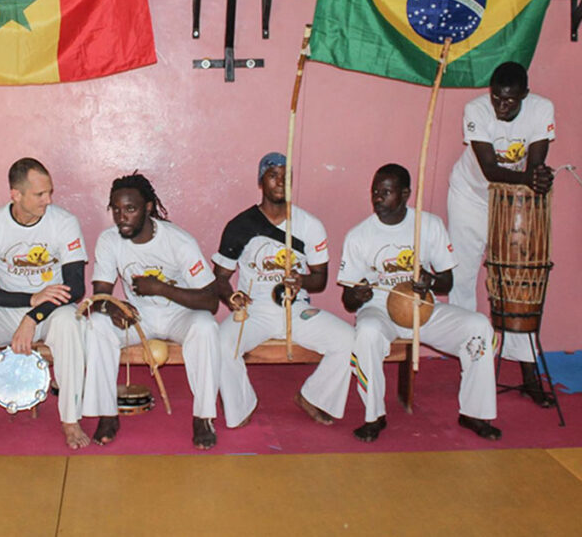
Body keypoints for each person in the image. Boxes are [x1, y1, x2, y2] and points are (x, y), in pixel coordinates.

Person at [341, 164, 500, 442]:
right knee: (365, 334)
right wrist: (358, 295)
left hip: (423, 309)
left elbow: (447, 283)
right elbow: (348, 302)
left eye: (386, 192)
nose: (378, 198)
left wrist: (430, 281)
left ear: (405, 194)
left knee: (478, 326)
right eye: (375, 192)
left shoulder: (429, 225)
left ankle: (474, 412)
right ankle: (374, 416)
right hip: (379, 310)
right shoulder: (358, 236)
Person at [0, 158, 89, 451]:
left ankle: (71, 419)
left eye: (49, 192)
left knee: (71, 321)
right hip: (10, 308)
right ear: (16, 194)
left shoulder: (64, 222)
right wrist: (29, 301)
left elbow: (76, 287)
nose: (48, 200)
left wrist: (34, 315)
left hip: (52, 311)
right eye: (40, 194)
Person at [213, 153, 355, 430]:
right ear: (261, 181)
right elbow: (220, 278)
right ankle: (242, 404)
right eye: (273, 175)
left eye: (286, 176)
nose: (280, 182)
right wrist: (232, 297)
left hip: (296, 307)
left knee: (348, 339)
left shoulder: (309, 225)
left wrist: (301, 281)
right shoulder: (240, 226)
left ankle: (313, 396)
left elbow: (321, 279)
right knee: (220, 342)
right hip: (254, 310)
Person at [84, 172, 220, 449]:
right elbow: (100, 295)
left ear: (147, 208)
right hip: (139, 316)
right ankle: (107, 413)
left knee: (206, 327)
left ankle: (203, 416)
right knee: (96, 324)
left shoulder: (179, 241)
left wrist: (160, 288)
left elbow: (211, 301)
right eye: (116, 210)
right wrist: (112, 307)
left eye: (130, 209)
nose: (122, 217)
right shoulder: (109, 240)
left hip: (179, 313)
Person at [447, 61, 555, 406]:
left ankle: (527, 373)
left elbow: (535, 166)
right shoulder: (476, 109)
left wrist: (538, 178)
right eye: (496, 98)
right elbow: (491, 169)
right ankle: (471, 364)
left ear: (525, 94)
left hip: (510, 200)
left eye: (509, 100)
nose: (501, 106)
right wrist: (531, 178)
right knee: (462, 276)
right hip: (470, 196)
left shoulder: (541, 109)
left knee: (515, 280)